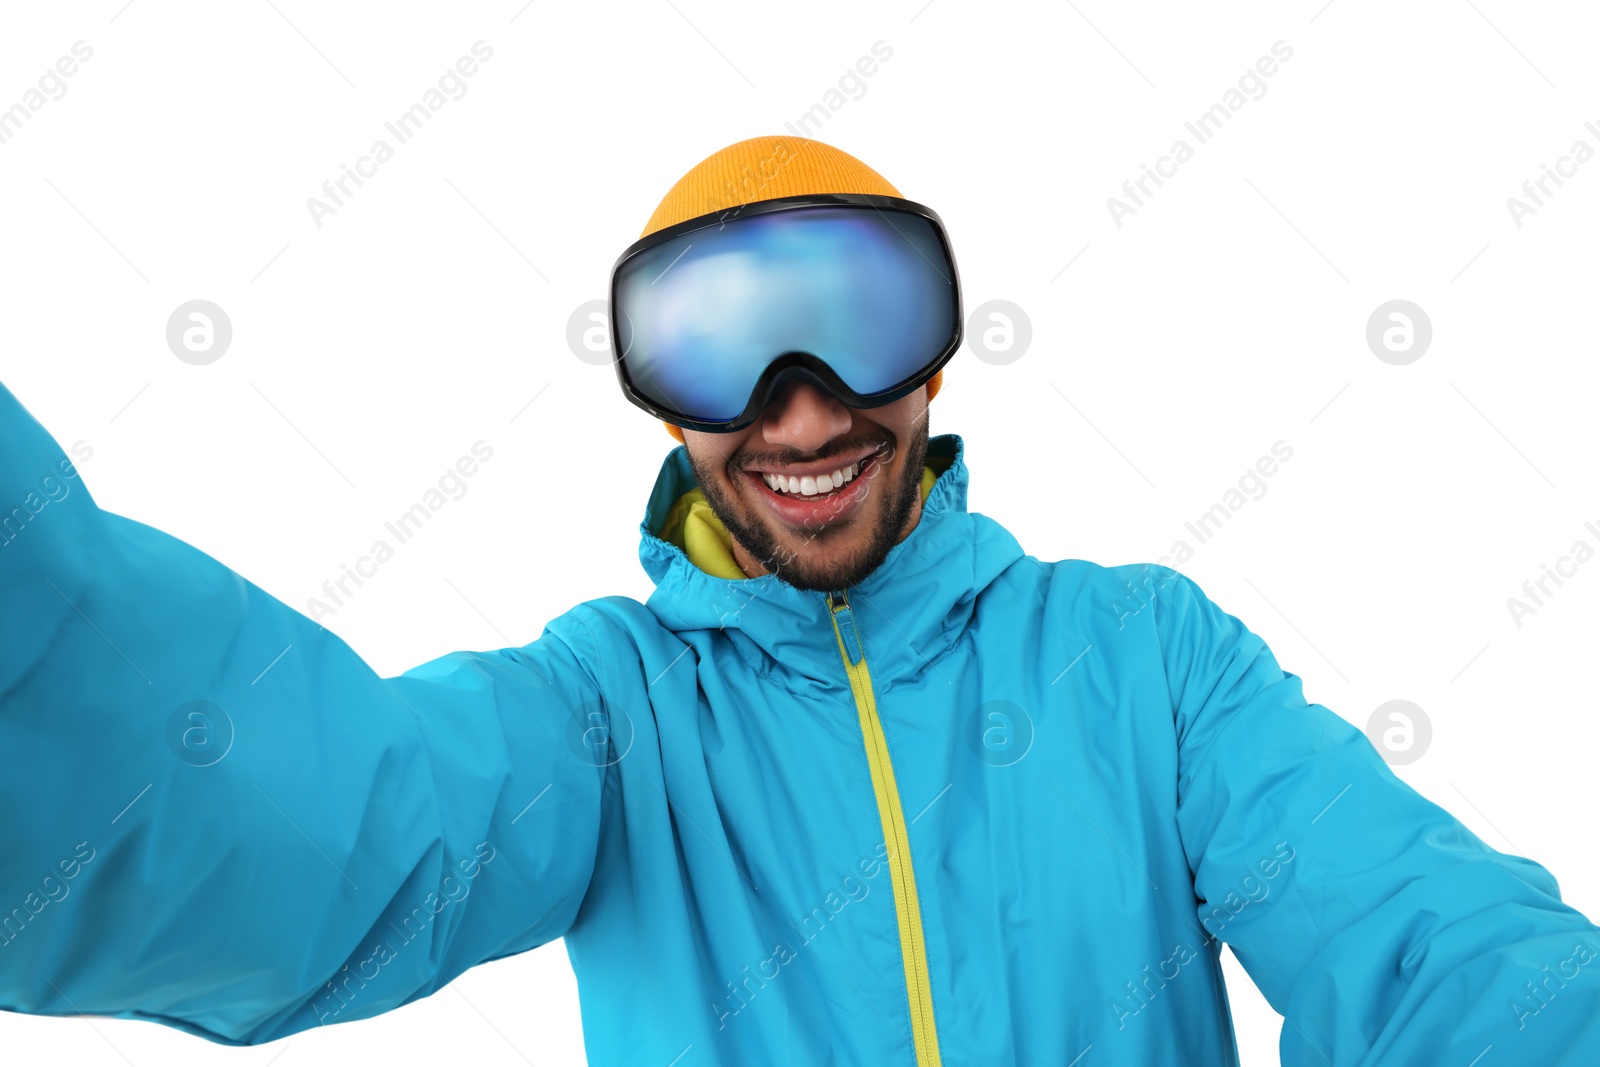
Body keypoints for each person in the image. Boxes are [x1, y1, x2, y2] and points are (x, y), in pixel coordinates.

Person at [1, 135, 1595, 1067]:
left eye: (859, 322)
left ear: (942, 348)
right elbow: (313, 836)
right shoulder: (609, 714)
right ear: (659, 401)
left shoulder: (1141, 660)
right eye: (722, 352)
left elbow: (1428, 943)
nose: (806, 413)